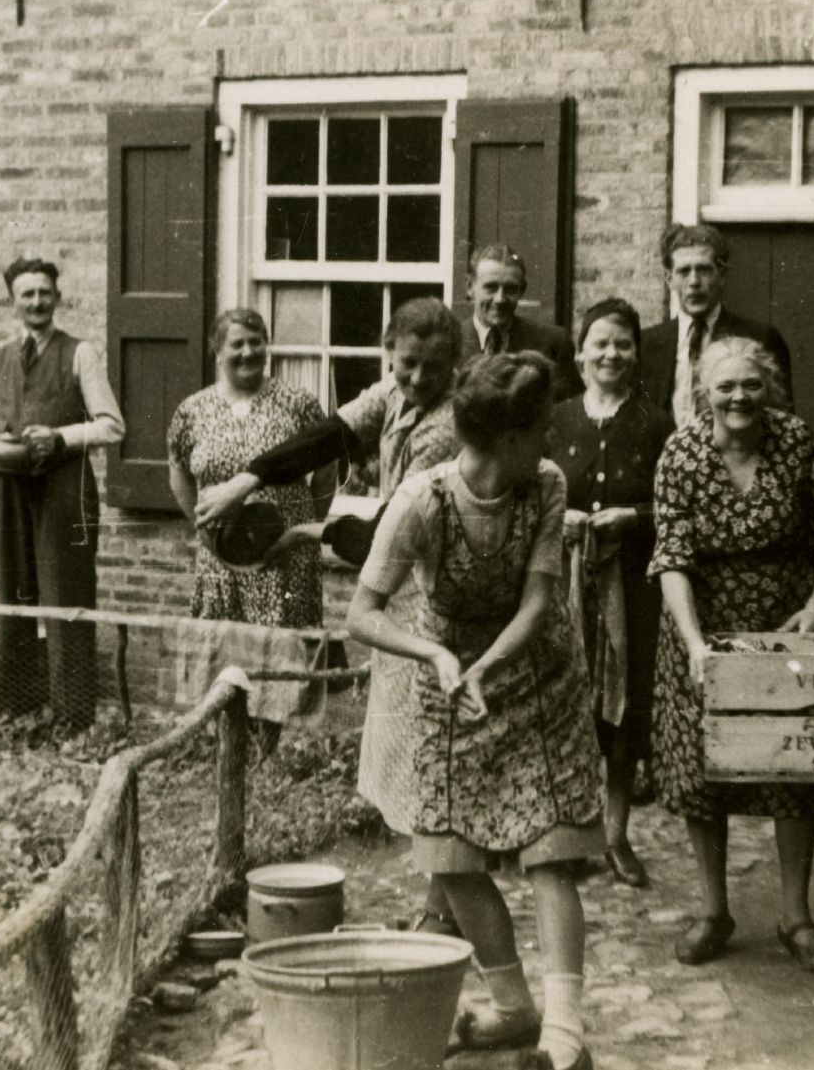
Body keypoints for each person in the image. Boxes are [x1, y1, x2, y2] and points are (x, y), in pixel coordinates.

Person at [347, 352, 602, 1070]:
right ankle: (515, 1005)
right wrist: (437, 658)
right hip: (447, 675)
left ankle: (565, 1036)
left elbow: (538, 601)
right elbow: (362, 614)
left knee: (552, 850)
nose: (551, 438)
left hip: (540, 675)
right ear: (511, 438)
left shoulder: (545, 484)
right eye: (542, 426)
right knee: (449, 855)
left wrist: (492, 663)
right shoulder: (421, 502)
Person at [194, 296, 467, 935]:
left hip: (436, 604)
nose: (419, 379)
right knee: (413, 756)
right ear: (388, 357)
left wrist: (301, 532)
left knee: (434, 757)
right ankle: (439, 907)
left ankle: (445, 913)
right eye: (406, 366)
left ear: (454, 362)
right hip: (403, 603)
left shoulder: (447, 426)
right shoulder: (394, 395)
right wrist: (247, 481)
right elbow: (329, 437)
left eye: (433, 367)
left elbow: (391, 533)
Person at [649, 336, 814, 974]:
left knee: (795, 767)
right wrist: (693, 646)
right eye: (725, 387)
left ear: (770, 388)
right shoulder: (681, 452)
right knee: (703, 771)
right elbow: (672, 557)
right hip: (703, 628)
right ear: (704, 392)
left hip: (787, 628)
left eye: (752, 386)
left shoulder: (794, 441)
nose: (739, 398)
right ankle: (714, 910)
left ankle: (796, 914)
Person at [0, 258, 125, 729]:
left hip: (64, 487)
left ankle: (72, 717)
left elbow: (112, 427)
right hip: (9, 486)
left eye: (44, 292)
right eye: (26, 294)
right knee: (13, 592)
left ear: (57, 297)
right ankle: (17, 708)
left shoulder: (81, 353)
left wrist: (59, 437)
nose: (36, 302)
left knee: (66, 597)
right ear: (12, 302)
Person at [551, 298, 674, 889]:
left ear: (636, 356)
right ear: (580, 356)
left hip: (632, 585)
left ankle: (617, 835)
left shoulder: (656, 423)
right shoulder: (557, 419)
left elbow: (676, 509)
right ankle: (569, 833)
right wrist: (563, 521)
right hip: (563, 586)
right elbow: (534, 494)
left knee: (621, 711)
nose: (611, 353)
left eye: (623, 344)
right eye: (600, 342)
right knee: (565, 703)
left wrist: (634, 516)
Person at [166, 308, 330, 627]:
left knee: (286, 653)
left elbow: (327, 470)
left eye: (256, 342)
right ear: (217, 352)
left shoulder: (297, 403)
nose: (248, 352)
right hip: (221, 558)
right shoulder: (192, 410)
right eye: (237, 344)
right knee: (225, 652)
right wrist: (204, 528)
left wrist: (303, 529)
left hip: (285, 557)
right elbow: (178, 475)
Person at [637, 224, 793, 427]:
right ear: (669, 279)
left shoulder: (759, 338)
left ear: (721, 273)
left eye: (703, 270)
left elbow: (782, 420)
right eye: (684, 271)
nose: (694, 281)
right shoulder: (646, 345)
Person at [461, 243, 584, 401]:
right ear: (470, 286)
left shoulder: (552, 343)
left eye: (510, 289)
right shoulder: (449, 343)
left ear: (522, 289)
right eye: (490, 287)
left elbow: (572, 411)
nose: (500, 299)